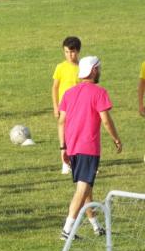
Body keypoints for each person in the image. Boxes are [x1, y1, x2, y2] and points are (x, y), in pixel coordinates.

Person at [58, 56, 122, 240]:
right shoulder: (99, 92)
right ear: (93, 70)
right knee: (82, 189)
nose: (100, 71)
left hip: (72, 147)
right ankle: (67, 230)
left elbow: (61, 121)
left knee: (85, 187)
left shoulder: (69, 93)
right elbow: (105, 120)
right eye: (99, 68)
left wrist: (63, 148)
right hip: (88, 146)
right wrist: (116, 139)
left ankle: (95, 225)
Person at [52, 36, 81, 174]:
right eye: (66, 52)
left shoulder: (82, 68)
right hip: (64, 106)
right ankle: (65, 162)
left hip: (79, 106)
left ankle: (80, 161)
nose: (70, 55)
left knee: (78, 133)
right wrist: (55, 106)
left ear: (78, 51)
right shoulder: (60, 67)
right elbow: (55, 88)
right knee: (63, 132)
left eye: (72, 52)